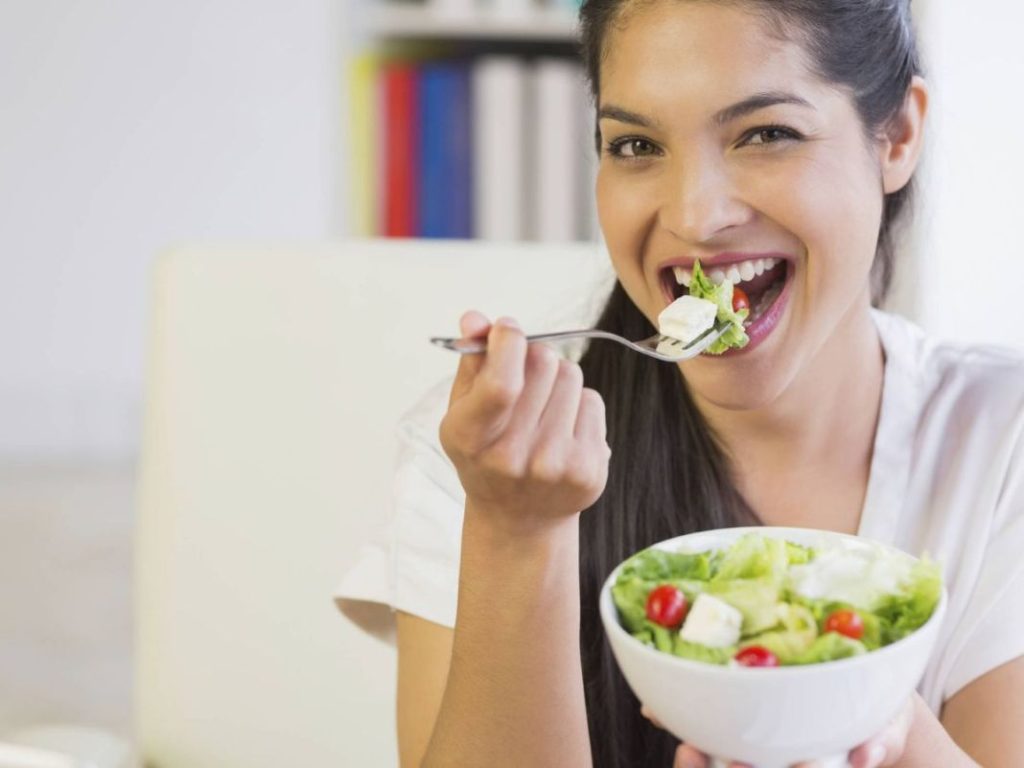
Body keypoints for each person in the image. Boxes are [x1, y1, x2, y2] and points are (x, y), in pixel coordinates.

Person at [336, 1, 1024, 765]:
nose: (696, 216)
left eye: (766, 134)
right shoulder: (490, 459)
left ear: (895, 136)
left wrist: (889, 731)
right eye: (635, 144)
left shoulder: (1002, 446)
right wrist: (515, 531)